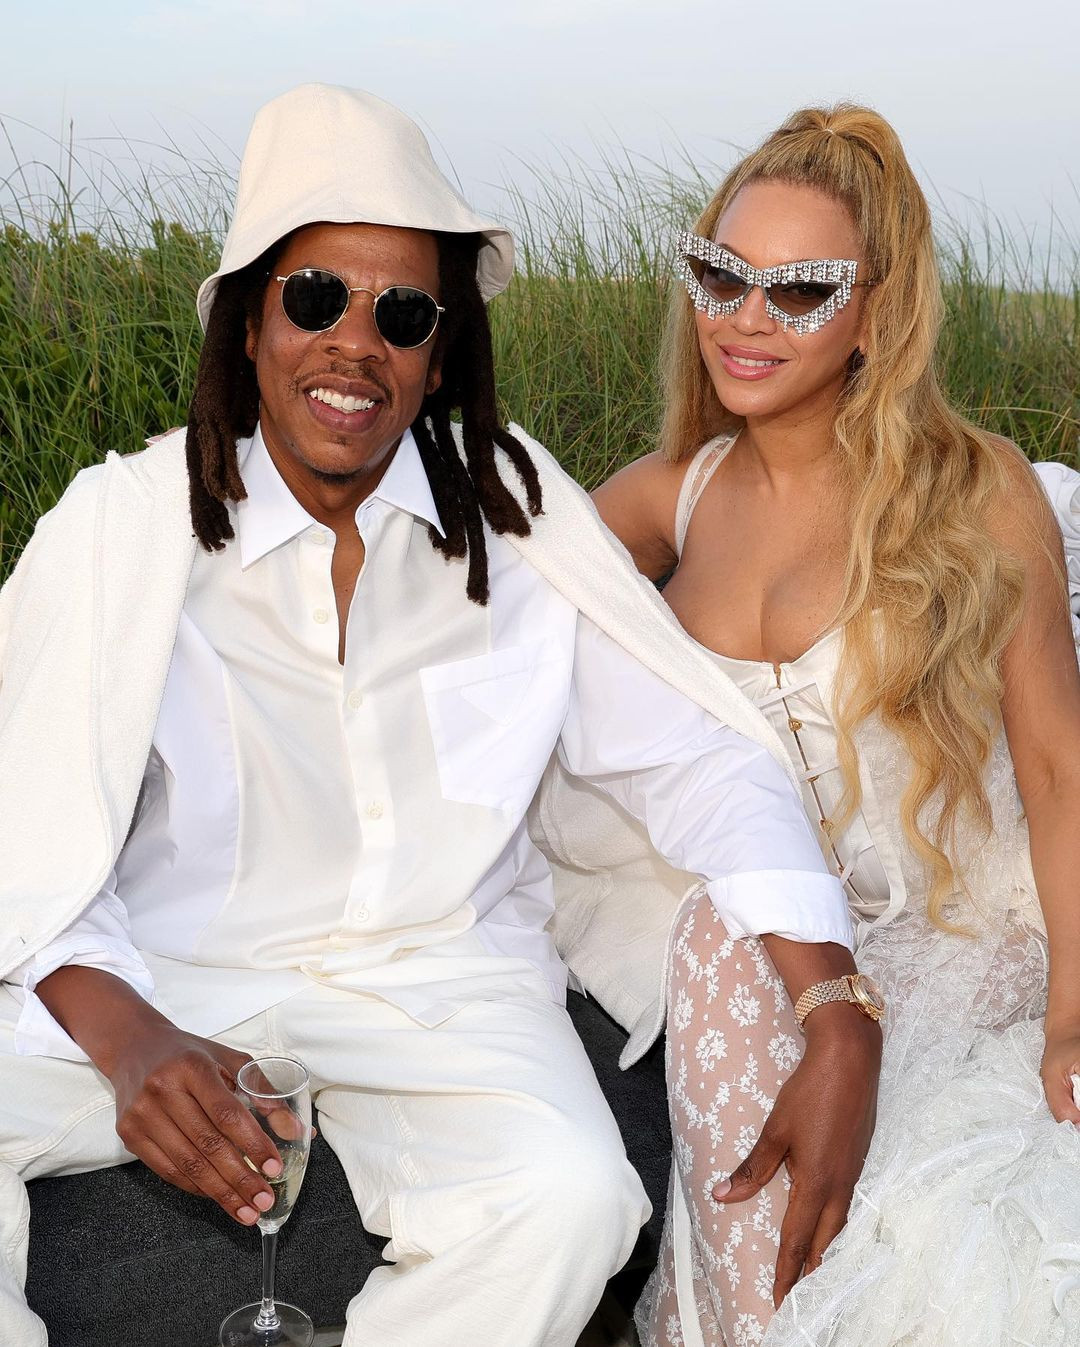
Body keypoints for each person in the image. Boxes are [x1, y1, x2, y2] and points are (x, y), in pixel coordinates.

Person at [0, 85, 872, 1347]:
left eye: (402, 314)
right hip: (178, 971)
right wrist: (132, 1040)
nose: (355, 346)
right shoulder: (127, 526)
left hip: (441, 990)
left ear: (442, 350)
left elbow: (693, 758)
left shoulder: (516, 516)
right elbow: (26, 818)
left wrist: (836, 1009)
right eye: (315, 298)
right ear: (249, 324)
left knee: (573, 1202)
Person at [593, 103, 1080, 1345]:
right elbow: (482, 598)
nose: (748, 318)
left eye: (802, 289)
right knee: (714, 932)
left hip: (970, 922)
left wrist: (1075, 1014)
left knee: (927, 1228)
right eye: (722, 276)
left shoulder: (977, 491)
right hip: (792, 942)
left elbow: (1058, 770)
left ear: (877, 313)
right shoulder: (667, 499)